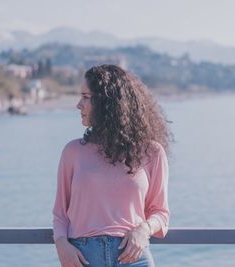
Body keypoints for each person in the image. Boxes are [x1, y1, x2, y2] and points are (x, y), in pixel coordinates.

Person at [53, 64, 171, 267]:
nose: (78, 104)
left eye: (86, 97)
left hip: (134, 258)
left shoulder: (152, 152)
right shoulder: (72, 152)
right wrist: (62, 246)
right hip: (83, 259)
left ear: (107, 103)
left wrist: (143, 230)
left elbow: (161, 213)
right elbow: (60, 213)